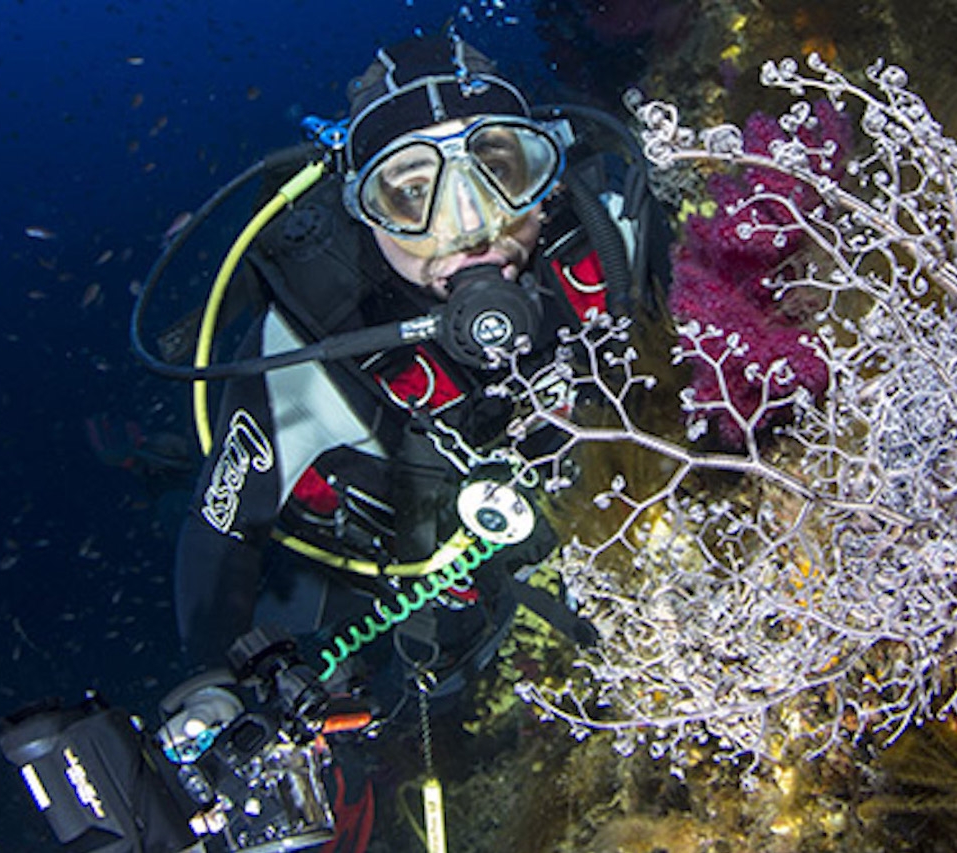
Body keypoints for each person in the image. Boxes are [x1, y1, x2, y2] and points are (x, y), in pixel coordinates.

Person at [169, 28, 671, 850]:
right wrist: (216, 677)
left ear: (545, 170)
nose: (469, 226)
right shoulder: (310, 347)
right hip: (392, 563)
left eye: (501, 170)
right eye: (411, 195)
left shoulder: (610, 239)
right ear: (361, 209)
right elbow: (221, 528)